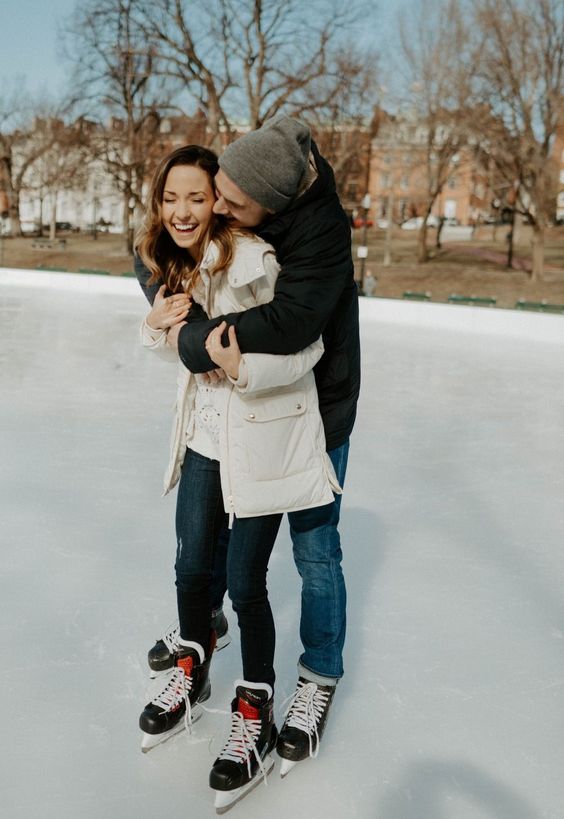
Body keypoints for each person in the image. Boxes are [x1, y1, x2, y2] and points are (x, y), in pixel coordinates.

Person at [135, 114, 361, 774]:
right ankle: (200, 635)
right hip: (229, 427)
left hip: (318, 408)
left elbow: (295, 330)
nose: (215, 208)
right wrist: (171, 329)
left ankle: (315, 676)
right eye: (214, 193)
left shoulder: (310, 237)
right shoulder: (237, 201)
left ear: (265, 204)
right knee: (199, 548)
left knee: (313, 550)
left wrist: (207, 343)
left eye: (224, 200)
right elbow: (156, 247)